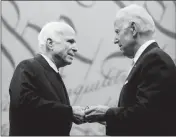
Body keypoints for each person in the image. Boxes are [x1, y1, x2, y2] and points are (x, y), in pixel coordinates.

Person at [85, 4, 176, 136]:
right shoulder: (148, 59)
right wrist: (107, 117)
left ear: (133, 29)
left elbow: (146, 115)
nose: (115, 40)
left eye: (117, 32)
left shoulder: (155, 60)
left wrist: (107, 113)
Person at [9, 21, 86, 136]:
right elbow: (24, 103)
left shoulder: (52, 73)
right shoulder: (28, 66)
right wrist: (69, 112)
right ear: (50, 43)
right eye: (70, 41)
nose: (76, 48)